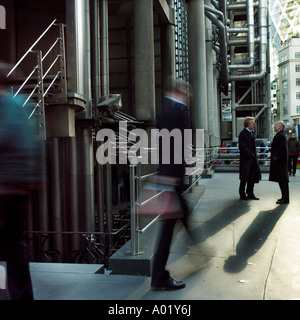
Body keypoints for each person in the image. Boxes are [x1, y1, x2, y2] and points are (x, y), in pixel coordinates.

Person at [0, 62, 39, 300]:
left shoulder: (6, 107)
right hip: (18, 187)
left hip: (6, 188)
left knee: (14, 248)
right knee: (16, 246)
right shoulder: (21, 104)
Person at [150, 76, 191, 291]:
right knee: (168, 228)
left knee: (181, 217)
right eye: (186, 91)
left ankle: (196, 245)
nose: (189, 94)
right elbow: (171, 146)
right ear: (179, 91)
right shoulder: (174, 113)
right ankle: (159, 277)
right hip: (171, 179)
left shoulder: (170, 111)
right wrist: (174, 177)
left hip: (170, 178)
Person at [238, 116, 261, 200]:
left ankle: (250, 193)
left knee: (252, 177)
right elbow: (242, 147)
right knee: (244, 177)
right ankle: (242, 194)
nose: (254, 125)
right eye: (253, 123)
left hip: (252, 159)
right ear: (248, 124)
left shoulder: (251, 133)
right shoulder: (243, 133)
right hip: (246, 159)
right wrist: (250, 155)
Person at [269, 121, 289, 204]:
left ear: (280, 127)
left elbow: (282, 147)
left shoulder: (281, 135)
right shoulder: (279, 135)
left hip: (280, 162)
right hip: (280, 162)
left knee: (283, 181)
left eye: (276, 125)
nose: (274, 126)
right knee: (281, 180)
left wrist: (276, 156)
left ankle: (285, 199)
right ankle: (284, 197)